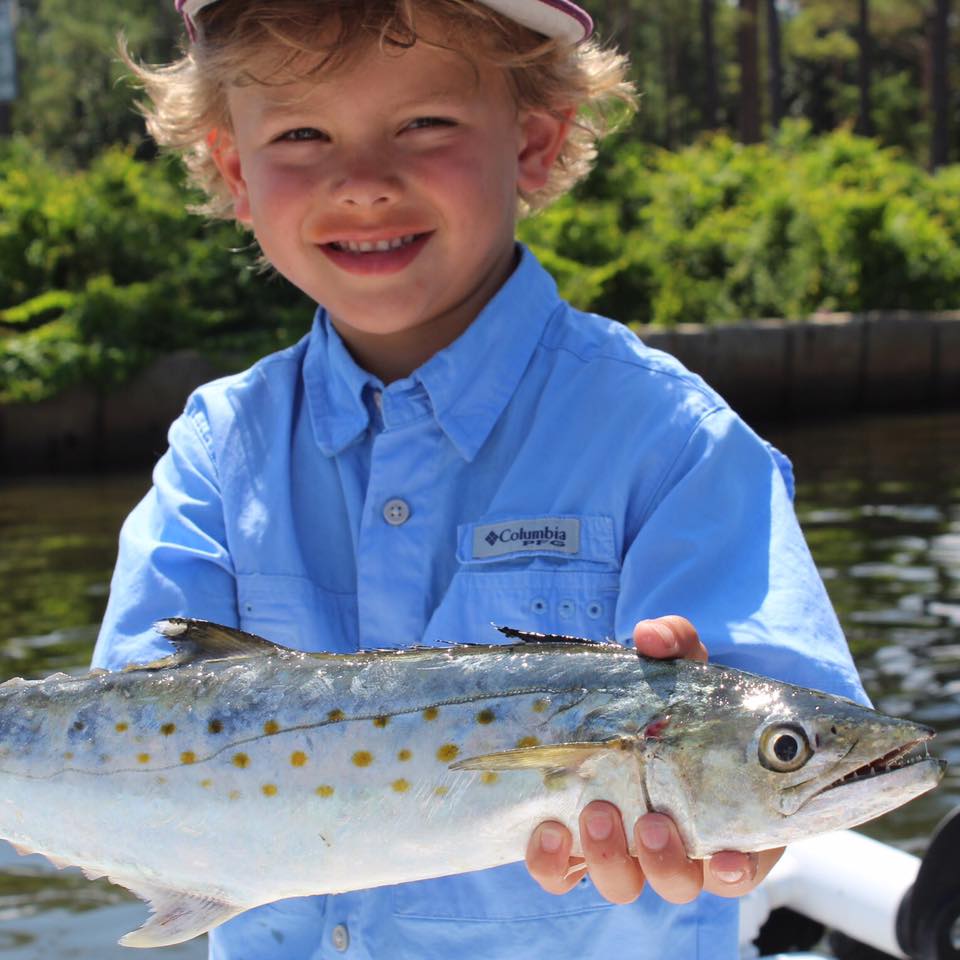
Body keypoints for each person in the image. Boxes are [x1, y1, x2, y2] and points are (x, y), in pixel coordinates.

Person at [93, 1, 868, 957]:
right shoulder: (217, 448)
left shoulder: (676, 444)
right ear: (233, 170)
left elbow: (781, 770)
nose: (364, 181)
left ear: (537, 143)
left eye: (425, 125)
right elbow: (124, 735)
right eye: (301, 133)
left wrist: (737, 845)